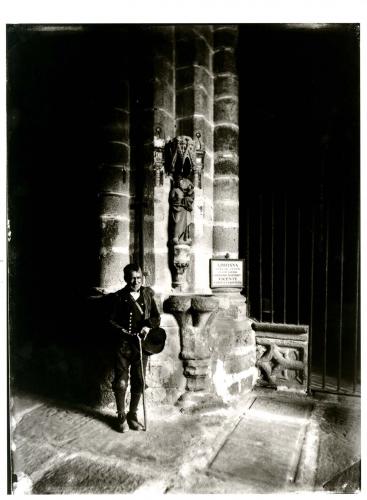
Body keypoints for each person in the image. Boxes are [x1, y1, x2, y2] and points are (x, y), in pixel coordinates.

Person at [106, 264, 161, 433]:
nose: (135, 281)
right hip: (122, 346)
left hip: (141, 345)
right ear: (125, 279)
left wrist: (148, 327)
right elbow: (110, 321)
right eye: (132, 278)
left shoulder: (147, 294)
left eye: (138, 278)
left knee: (139, 380)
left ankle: (132, 415)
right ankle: (121, 416)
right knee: (121, 382)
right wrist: (121, 331)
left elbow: (156, 317)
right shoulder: (118, 297)